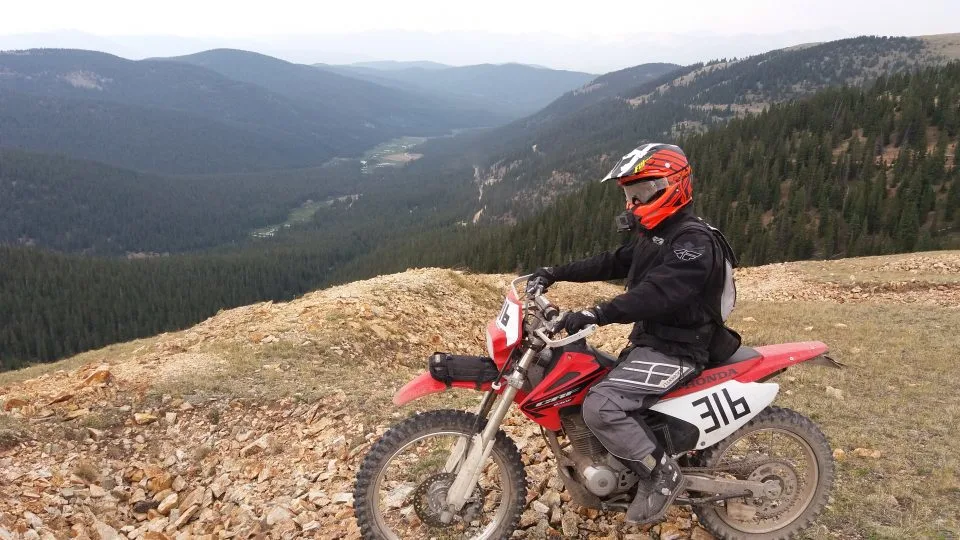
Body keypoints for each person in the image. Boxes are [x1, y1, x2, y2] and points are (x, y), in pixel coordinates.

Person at [526, 142, 735, 525]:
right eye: (629, 193)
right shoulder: (655, 232)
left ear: (671, 186)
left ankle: (661, 475)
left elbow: (657, 293)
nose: (633, 202)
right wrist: (553, 272)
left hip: (681, 349)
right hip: (652, 342)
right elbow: (613, 261)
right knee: (586, 381)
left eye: (640, 192)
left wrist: (597, 313)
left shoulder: (692, 242)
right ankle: (628, 456)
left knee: (601, 405)